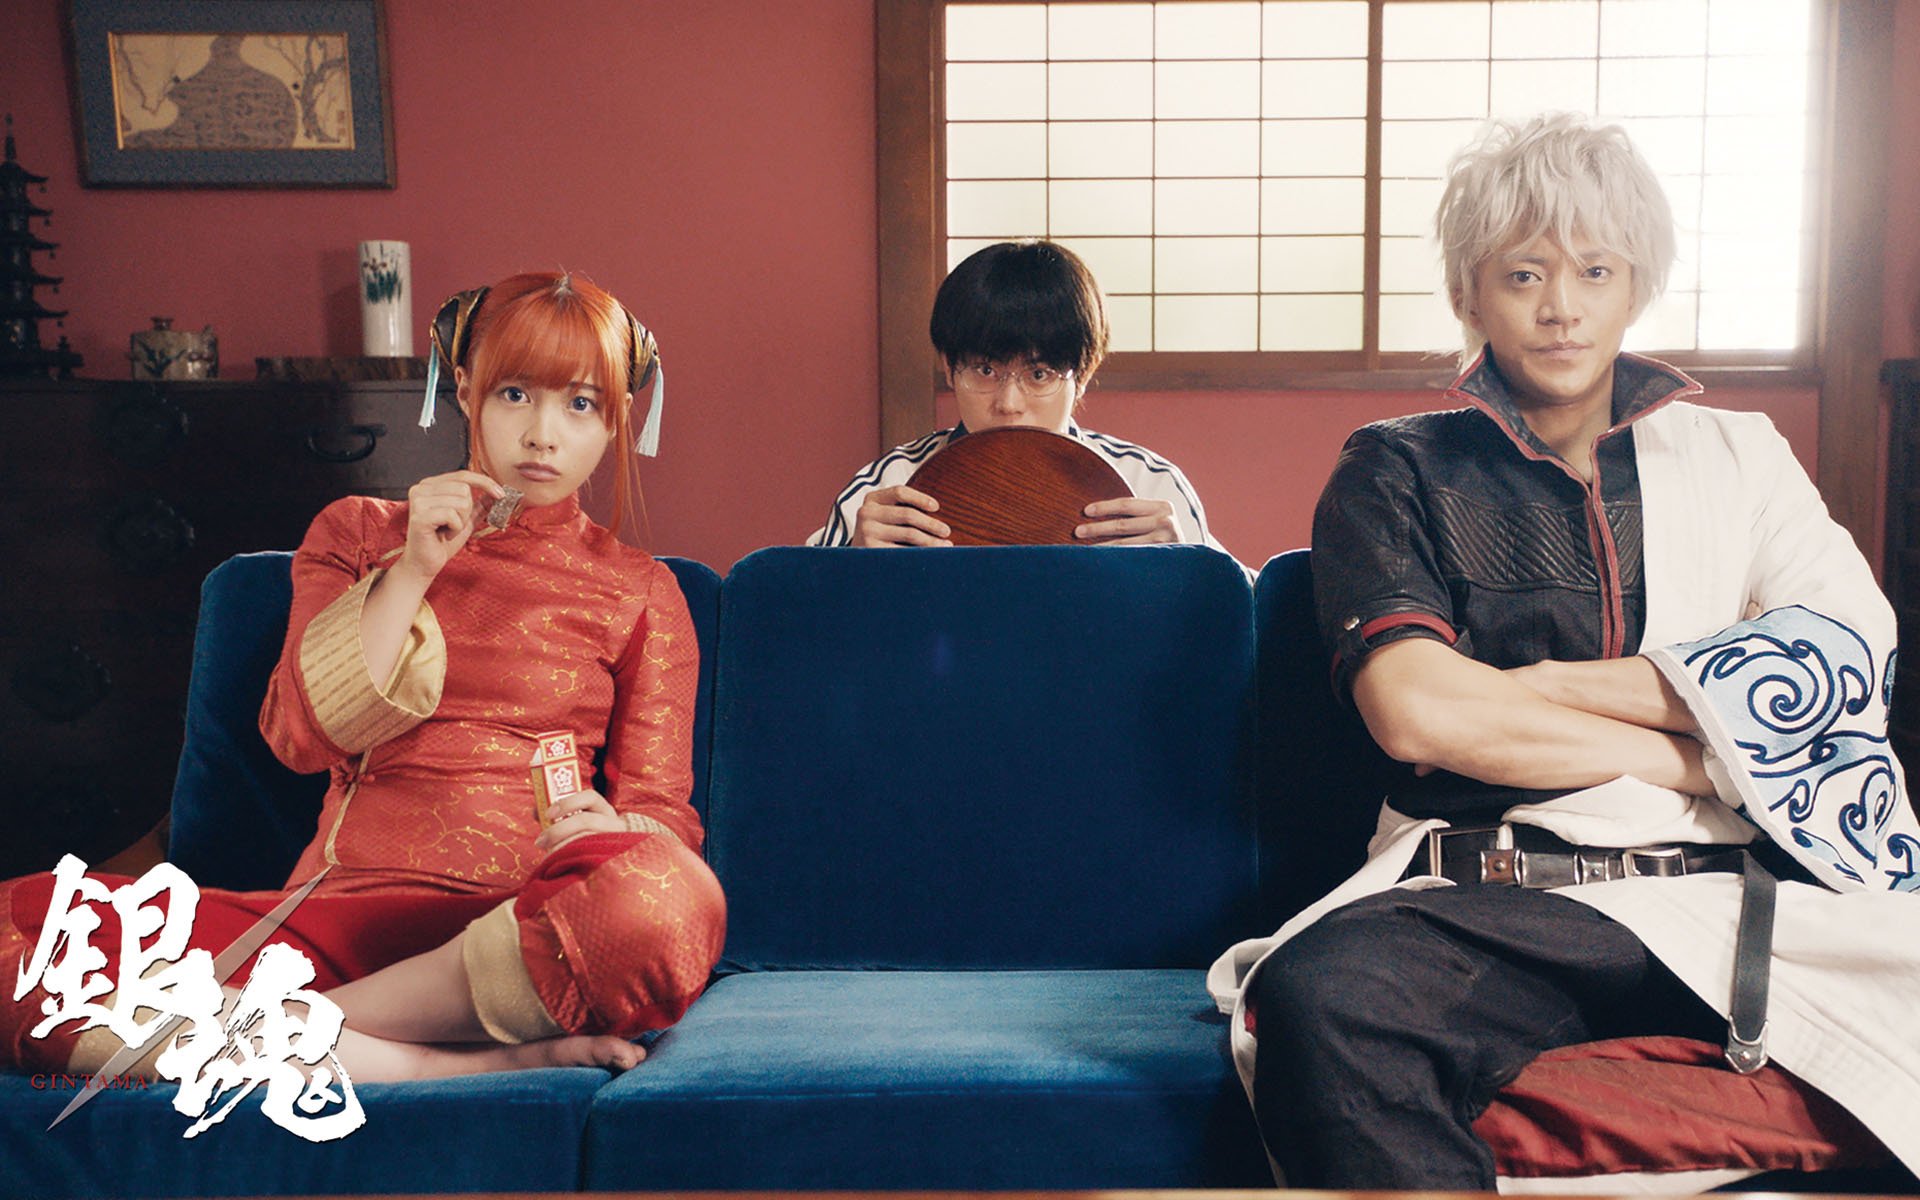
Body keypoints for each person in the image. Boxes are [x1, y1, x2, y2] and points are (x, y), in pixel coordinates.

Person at [1206, 114, 1920, 1186]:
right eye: (1523, 274)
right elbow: (1419, 712)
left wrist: (1541, 686)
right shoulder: (1396, 468)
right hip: (1489, 898)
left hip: (1728, 894)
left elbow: (1846, 653)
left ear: (1637, 284)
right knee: (1326, 1001)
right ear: (1470, 293)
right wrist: (1707, 755)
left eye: (1595, 270)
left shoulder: (1738, 455)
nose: (1561, 307)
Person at [2, 271, 726, 1083]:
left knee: (678, 901)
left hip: (524, 929)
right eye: (516, 393)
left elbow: (663, 818)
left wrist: (613, 834)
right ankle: (435, 1063)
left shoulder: (642, 590)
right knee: (13, 935)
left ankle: (289, 1032)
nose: (543, 434)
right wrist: (411, 571)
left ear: (617, 417)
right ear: (465, 389)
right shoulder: (358, 532)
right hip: (330, 922)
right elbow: (298, 738)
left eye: (581, 404)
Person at [807, 239, 1234, 557]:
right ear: (949, 367)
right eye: (985, 370)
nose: (1009, 403)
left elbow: (1238, 626)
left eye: (1039, 374)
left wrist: (1185, 569)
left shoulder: (1150, 486)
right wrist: (852, 566)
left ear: (1084, 374)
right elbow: (798, 629)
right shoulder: (887, 488)